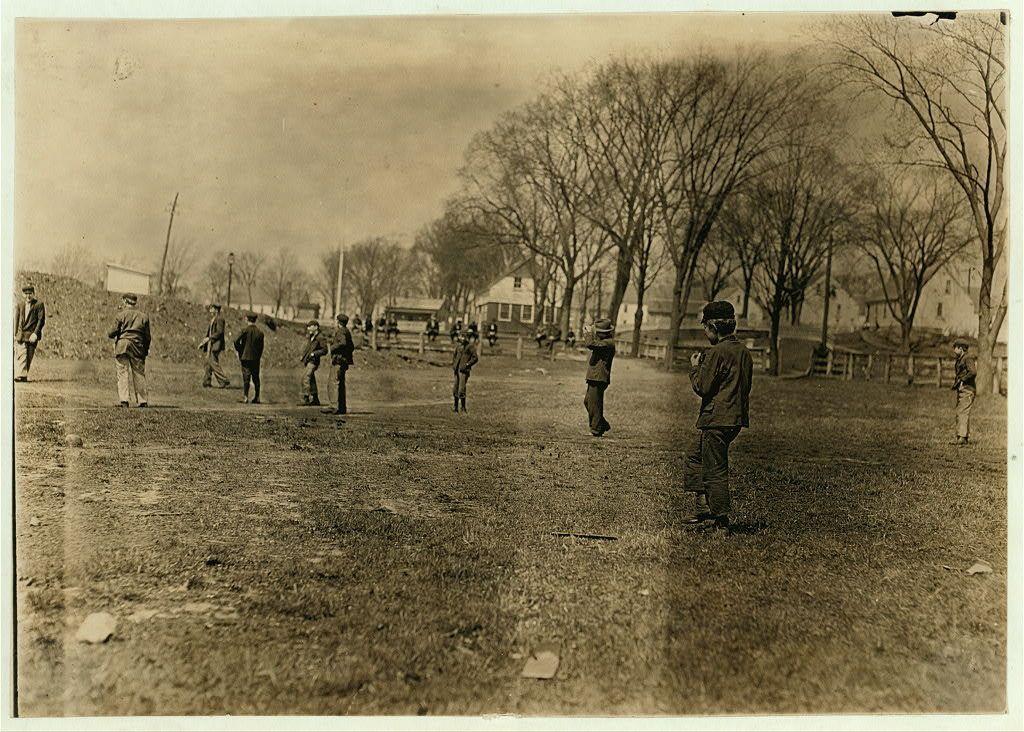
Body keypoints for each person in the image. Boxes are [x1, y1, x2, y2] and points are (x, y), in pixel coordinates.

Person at [683, 300, 753, 532]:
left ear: (713, 327)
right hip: (734, 418)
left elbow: (702, 387)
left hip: (717, 420)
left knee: (714, 468)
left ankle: (721, 521)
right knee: (695, 456)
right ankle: (703, 507)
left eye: (705, 327)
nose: (704, 331)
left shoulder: (715, 353)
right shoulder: (744, 352)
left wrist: (695, 367)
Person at [107, 292, 151, 408]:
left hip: (122, 346)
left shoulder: (120, 316)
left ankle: (124, 401)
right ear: (135, 303)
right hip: (138, 347)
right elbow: (147, 337)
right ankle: (142, 401)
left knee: (122, 373)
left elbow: (112, 333)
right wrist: (145, 350)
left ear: (125, 302)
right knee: (139, 373)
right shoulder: (144, 317)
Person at [582, 318, 616, 437]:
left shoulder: (608, 343)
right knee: (588, 402)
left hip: (599, 377)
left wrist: (588, 333)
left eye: (598, 331)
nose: (597, 333)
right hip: (594, 377)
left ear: (605, 332)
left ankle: (596, 430)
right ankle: (601, 424)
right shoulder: (603, 342)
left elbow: (590, 344)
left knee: (594, 404)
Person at [14, 284, 45, 383]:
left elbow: (41, 320)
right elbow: (16, 319)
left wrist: (35, 333)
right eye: (26, 294)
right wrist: (15, 334)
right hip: (22, 335)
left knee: (29, 356)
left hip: (32, 335)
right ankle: (20, 375)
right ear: (23, 294)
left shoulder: (39, 305)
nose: (28, 296)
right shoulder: (20, 305)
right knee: (22, 354)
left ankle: (23, 376)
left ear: (33, 294)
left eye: (30, 293)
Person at [233, 313, 265, 404]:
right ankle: (257, 397)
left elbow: (235, 341)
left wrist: (240, 350)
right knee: (256, 377)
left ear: (247, 319)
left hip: (245, 357)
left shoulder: (245, 330)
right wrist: (258, 356)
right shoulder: (260, 333)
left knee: (246, 377)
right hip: (255, 358)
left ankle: (245, 397)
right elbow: (261, 347)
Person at [951, 337, 977, 446]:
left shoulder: (968, 358)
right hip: (963, 389)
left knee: (963, 412)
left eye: (955, 348)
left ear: (961, 348)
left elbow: (973, 372)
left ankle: (962, 437)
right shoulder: (961, 358)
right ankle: (963, 436)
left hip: (968, 389)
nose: (954, 350)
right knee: (960, 412)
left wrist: (962, 380)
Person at [330, 313, 356, 415]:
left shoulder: (340, 331)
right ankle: (341, 407)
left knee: (335, 382)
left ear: (338, 322)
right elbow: (351, 346)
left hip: (339, 360)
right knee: (341, 384)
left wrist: (332, 348)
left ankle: (334, 406)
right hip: (344, 361)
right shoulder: (347, 331)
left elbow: (343, 343)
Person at [200, 303, 231, 388]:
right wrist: (204, 342)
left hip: (215, 345)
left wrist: (209, 338)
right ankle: (207, 382)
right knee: (208, 362)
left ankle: (224, 380)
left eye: (211, 308)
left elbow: (219, 332)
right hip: (211, 344)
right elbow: (209, 332)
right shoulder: (213, 319)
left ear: (216, 310)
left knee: (213, 363)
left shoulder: (220, 319)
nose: (210, 310)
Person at [299, 320, 328, 406]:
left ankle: (306, 398)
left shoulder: (320, 337)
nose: (308, 328)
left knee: (305, 378)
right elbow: (308, 348)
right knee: (311, 379)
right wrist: (303, 356)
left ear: (316, 327)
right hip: (308, 360)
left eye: (310, 326)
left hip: (313, 361)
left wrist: (314, 354)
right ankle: (315, 399)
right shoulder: (312, 337)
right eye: (308, 326)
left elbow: (325, 350)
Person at [451, 328, 478, 413]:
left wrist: (467, 364)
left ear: (467, 337)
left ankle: (463, 408)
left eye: (464, 337)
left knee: (461, 389)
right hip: (457, 370)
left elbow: (475, 358)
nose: (462, 338)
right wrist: (454, 365)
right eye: (460, 336)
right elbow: (454, 356)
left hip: (464, 371)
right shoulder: (458, 346)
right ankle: (455, 407)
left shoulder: (470, 347)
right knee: (455, 388)